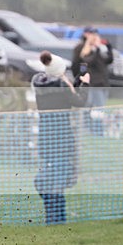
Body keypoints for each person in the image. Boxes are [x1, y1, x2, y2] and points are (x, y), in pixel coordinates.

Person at [31, 51, 90, 224]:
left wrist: (74, 83)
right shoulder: (62, 86)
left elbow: (66, 91)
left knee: (51, 178)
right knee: (57, 180)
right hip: (62, 139)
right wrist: (84, 84)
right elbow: (79, 101)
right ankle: (55, 219)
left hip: (45, 140)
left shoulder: (38, 82)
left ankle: (56, 219)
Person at [71, 26, 113, 133]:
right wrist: (81, 76)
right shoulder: (81, 48)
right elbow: (83, 63)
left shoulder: (97, 48)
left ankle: (95, 128)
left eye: (95, 34)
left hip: (103, 82)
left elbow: (107, 60)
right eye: (91, 34)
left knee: (98, 107)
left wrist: (108, 47)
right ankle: (94, 129)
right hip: (93, 82)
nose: (94, 36)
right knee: (92, 106)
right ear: (85, 34)